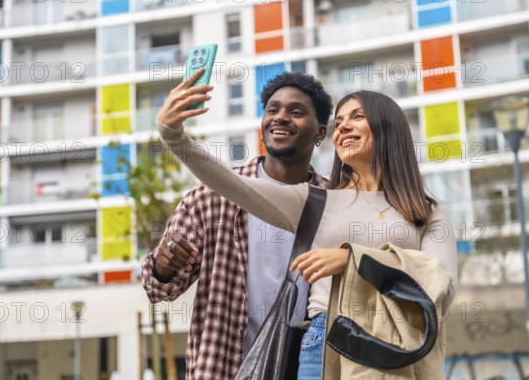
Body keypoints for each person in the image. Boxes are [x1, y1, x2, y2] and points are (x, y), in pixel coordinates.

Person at [155, 69, 459, 379]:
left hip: (402, 349)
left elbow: (442, 291)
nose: (344, 127)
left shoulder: (429, 211)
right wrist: (173, 135)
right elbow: (230, 183)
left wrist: (352, 260)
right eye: (339, 122)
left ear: (387, 126)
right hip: (324, 344)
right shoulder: (316, 201)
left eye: (357, 117)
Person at [141, 72, 333, 379]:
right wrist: (163, 264)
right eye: (272, 110)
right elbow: (157, 289)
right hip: (224, 368)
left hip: (309, 369)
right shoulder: (212, 197)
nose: (280, 118)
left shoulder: (334, 203)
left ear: (320, 132)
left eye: (296, 112)